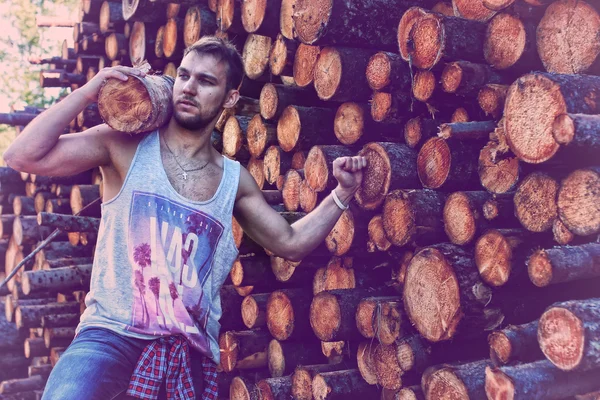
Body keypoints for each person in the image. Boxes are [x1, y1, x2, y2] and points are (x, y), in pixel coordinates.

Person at [3, 36, 367, 400]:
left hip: (187, 354)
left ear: (230, 98)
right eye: (184, 76)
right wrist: (88, 91)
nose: (189, 88)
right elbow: (23, 156)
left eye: (206, 82)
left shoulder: (233, 181)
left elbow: (290, 243)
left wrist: (342, 193)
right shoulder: (122, 146)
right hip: (109, 337)